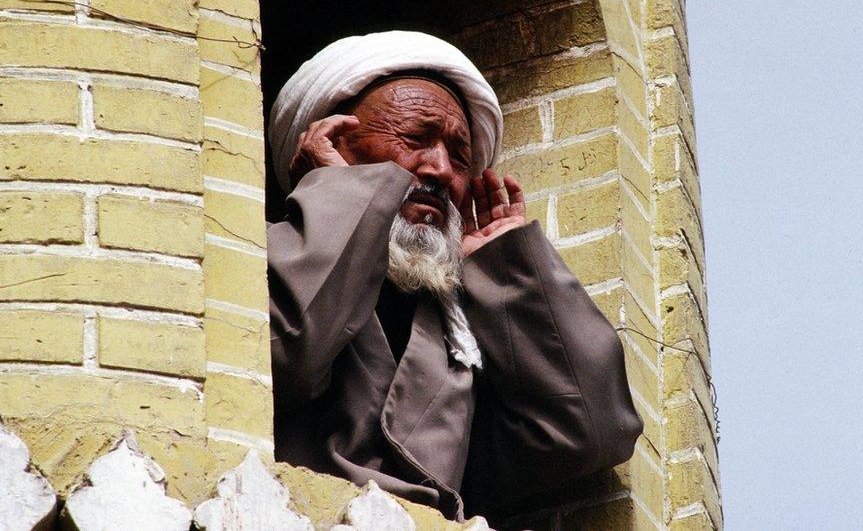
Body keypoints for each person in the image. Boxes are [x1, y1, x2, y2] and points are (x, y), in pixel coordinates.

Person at [267, 31, 641, 521]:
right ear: (334, 143)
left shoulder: (462, 328)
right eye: (415, 138)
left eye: (460, 156)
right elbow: (287, 353)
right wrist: (338, 192)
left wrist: (507, 271)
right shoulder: (260, 251)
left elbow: (592, 431)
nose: (442, 169)